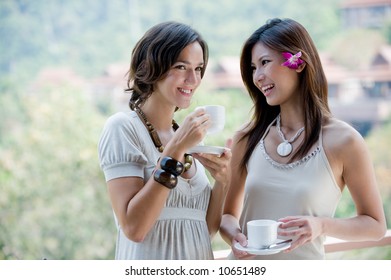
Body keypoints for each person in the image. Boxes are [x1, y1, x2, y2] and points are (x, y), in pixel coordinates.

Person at [219, 18, 386, 260]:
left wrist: (322, 225)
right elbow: (227, 217)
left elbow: (375, 225)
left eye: (265, 62)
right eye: (254, 68)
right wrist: (236, 237)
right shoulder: (246, 138)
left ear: (298, 63)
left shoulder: (345, 141)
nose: (258, 76)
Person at [98, 21, 231, 260]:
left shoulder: (190, 142)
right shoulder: (123, 128)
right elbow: (134, 228)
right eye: (181, 67)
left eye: (199, 68)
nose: (193, 79)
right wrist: (176, 148)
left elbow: (204, 231)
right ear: (152, 67)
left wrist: (222, 181)